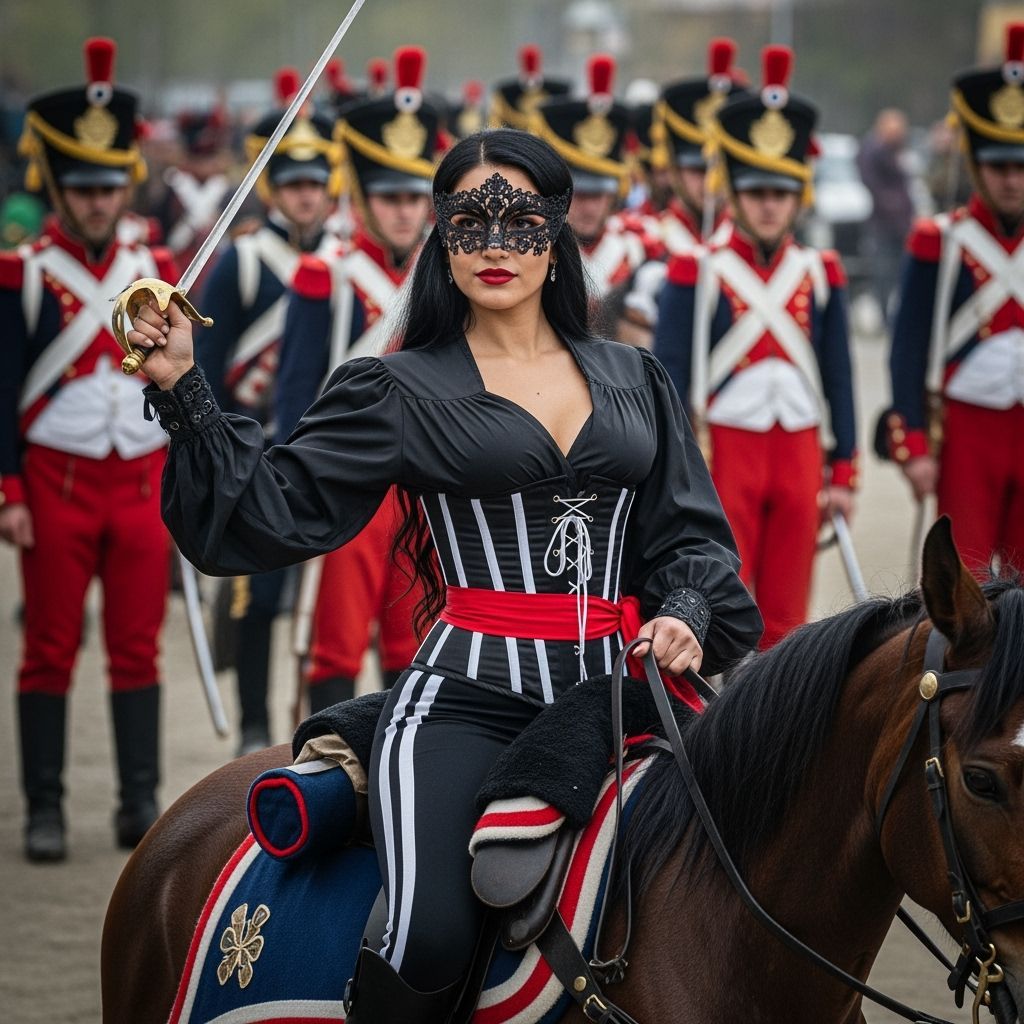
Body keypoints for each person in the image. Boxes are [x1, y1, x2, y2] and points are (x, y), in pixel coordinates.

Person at [129, 127, 762, 1020]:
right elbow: (268, 512)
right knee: (429, 933)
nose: (496, 244)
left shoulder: (636, 378)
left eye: (520, 221)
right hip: (464, 702)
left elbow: (693, 539)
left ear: (557, 232)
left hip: (619, 696)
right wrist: (185, 392)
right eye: (470, 221)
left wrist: (690, 608)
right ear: (440, 236)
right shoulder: (395, 388)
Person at [0, 37, 176, 861]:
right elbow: (4, 391)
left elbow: (178, 383)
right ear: (55, 185)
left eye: (109, 185)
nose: (98, 202)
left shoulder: (160, 265)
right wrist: (8, 491)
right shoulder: (24, 274)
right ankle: (45, 807)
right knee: (49, 650)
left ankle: (138, 799)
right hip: (54, 481)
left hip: (141, 481)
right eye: (82, 186)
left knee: (137, 645)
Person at [654, 46, 857, 650]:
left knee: (788, 613)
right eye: (757, 190)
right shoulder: (699, 269)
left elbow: (839, 376)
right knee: (720, 599)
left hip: (798, 452)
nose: (771, 203)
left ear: (800, 194)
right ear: (733, 191)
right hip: (724, 453)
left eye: (782, 190)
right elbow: (667, 379)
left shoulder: (820, 271)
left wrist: (842, 469)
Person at [275, 46, 440, 713]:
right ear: (363, 197)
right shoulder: (328, 274)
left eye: (413, 196)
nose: (404, 211)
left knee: (417, 644)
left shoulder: (446, 277)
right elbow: (294, 390)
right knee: (337, 645)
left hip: (426, 484)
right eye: (388, 195)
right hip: (350, 481)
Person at [196, 76, 341, 754]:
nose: (306, 195)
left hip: (331, 452)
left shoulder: (346, 262)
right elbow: (210, 360)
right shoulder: (246, 261)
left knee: (327, 611)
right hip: (259, 451)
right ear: (273, 188)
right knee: (257, 599)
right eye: (293, 184)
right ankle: (254, 723)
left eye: (315, 182)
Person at [885, 22, 1024, 571]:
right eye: (998, 166)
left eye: (1021, 166)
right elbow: (908, 347)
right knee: (959, 591)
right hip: (966, 432)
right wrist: (914, 444)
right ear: (974, 163)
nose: (1012, 180)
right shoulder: (937, 241)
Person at [623, 38, 747, 333]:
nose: (710, 183)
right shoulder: (641, 240)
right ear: (674, 170)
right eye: (697, 170)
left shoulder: (750, 241)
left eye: (717, 170)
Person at [532, 53, 656, 341]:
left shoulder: (641, 246)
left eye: (599, 194)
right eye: (581, 194)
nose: (589, 206)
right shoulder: (535, 248)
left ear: (613, 195)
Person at [856, 107, 916, 326]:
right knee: (882, 274)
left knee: (902, 273)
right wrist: (893, 204)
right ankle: (885, 318)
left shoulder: (897, 151)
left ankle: (899, 317)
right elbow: (873, 184)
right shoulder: (874, 151)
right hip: (883, 224)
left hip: (901, 224)